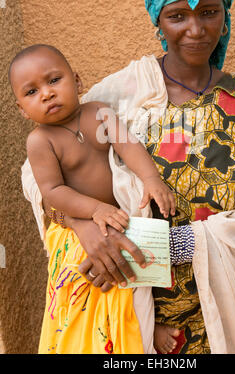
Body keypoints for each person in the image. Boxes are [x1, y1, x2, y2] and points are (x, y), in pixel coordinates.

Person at [21, 0, 235, 354]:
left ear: (225, 17)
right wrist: (86, 227)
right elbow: (39, 178)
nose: (195, 30)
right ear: (158, 21)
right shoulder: (122, 93)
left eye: (209, 12)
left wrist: (162, 246)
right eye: (177, 15)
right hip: (123, 311)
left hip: (211, 314)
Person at [9, 43, 176, 354]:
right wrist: (95, 209)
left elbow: (129, 146)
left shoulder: (99, 112)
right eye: (31, 92)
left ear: (77, 81)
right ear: (21, 109)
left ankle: (145, 328)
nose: (46, 94)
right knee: (91, 289)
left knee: (137, 274)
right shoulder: (41, 140)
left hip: (115, 217)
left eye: (54, 80)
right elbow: (53, 192)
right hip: (76, 227)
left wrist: (152, 180)